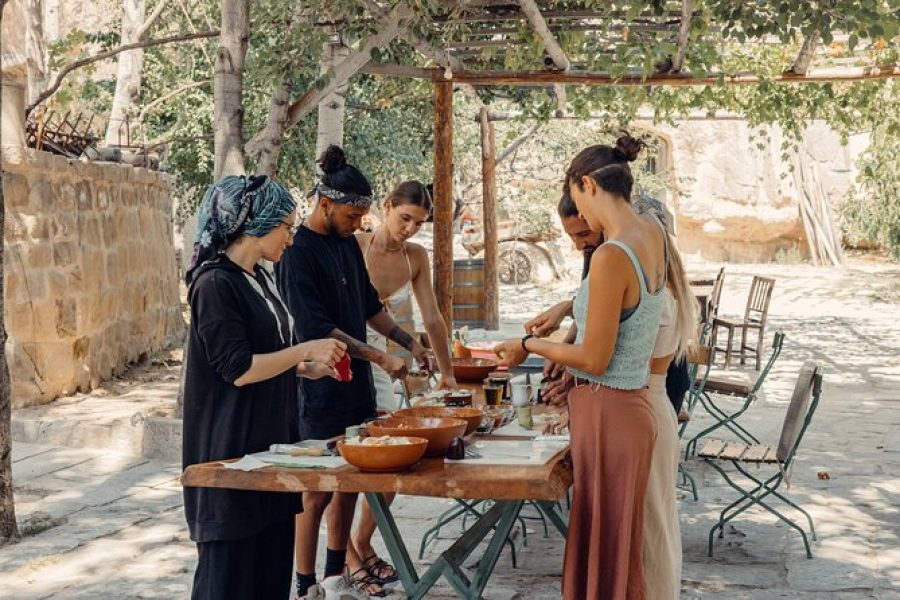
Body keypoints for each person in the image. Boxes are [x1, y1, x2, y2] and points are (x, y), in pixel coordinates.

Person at [494, 134, 667, 599]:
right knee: (615, 554)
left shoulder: (612, 254)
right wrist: (570, 309)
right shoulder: (651, 234)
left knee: (603, 556)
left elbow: (594, 357)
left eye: (575, 199)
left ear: (587, 185)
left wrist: (530, 344)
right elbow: (624, 311)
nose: (579, 214)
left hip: (610, 412)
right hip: (632, 410)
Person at [276, 146, 432, 599]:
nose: (357, 224)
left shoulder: (345, 245)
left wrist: (409, 343)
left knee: (348, 483)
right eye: (350, 215)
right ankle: (305, 584)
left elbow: (368, 308)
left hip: (356, 389)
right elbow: (316, 329)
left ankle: (333, 573)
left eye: (361, 216)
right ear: (325, 205)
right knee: (316, 492)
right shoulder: (297, 253)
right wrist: (380, 358)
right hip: (320, 392)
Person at [182, 175, 346, 600]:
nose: (290, 238)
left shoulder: (261, 278)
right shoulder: (215, 283)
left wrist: (303, 367)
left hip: (270, 451)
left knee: (269, 577)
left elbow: (266, 356)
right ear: (257, 224)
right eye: (286, 227)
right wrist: (302, 350)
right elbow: (236, 369)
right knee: (229, 581)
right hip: (230, 456)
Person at [344, 180, 458, 592]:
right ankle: (349, 558)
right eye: (404, 217)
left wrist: (449, 375)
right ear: (388, 207)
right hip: (338, 341)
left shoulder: (415, 257)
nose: (410, 228)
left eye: (419, 222)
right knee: (344, 451)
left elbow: (432, 316)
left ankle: (361, 541)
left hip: (380, 347)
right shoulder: (353, 244)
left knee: (391, 452)